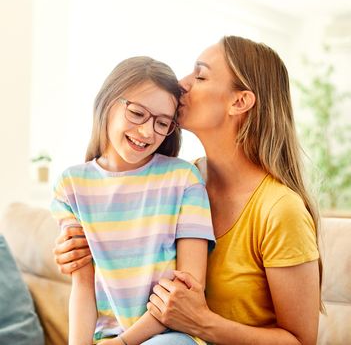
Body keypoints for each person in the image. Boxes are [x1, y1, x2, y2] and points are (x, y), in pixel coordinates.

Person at [53, 36, 322, 345]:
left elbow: (302, 342)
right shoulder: (183, 180)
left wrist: (203, 323)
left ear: (239, 102)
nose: (181, 83)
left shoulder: (279, 209)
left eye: (200, 75)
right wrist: (74, 251)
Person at [51, 56, 215, 345]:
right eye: (137, 114)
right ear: (108, 102)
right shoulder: (71, 186)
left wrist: (126, 342)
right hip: (107, 337)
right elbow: (83, 287)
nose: (147, 132)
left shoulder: (184, 179)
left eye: (162, 123)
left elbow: (187, 289)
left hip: (169, 334)